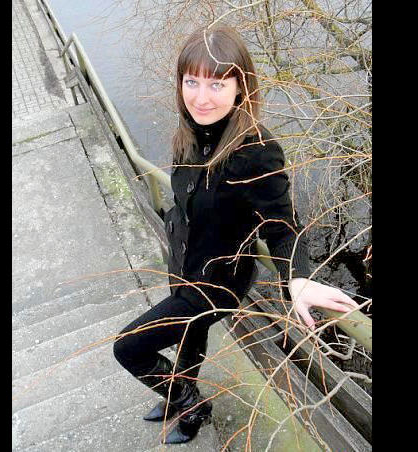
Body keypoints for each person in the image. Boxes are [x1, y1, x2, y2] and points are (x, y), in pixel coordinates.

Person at [113, 24, 359, 445]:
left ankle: (189, 402)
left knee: (128, 348)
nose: (201, 97)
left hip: (215, 283)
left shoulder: (256, 151)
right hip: (184, 263)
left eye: (216, 84)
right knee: (190, 336)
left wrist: (297, 278)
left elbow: (282, 226)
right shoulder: (189, 132)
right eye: (191, 82)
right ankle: (182, 399)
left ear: (240, 86)